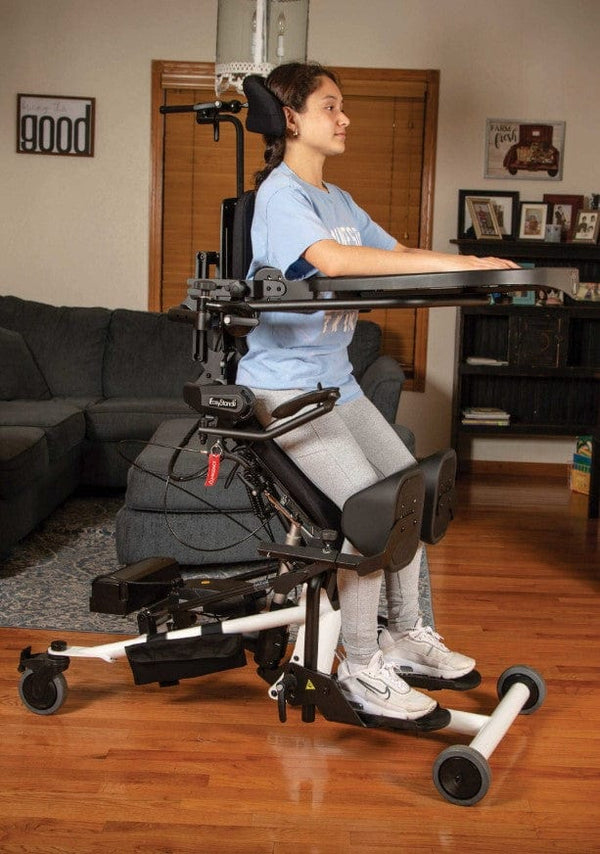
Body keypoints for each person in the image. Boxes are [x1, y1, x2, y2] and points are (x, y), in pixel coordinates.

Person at [236, 62, 518, 720]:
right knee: (371, 511)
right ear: (290, 119)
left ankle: (404, 637)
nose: (345, 118)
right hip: (285, 392)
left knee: (407, 494)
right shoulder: (281, 196)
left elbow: (396, 254)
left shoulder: (337, 201)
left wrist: (469, 265)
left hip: (337, 387)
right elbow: (335, 262)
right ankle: (361, 668)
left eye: (343, 107)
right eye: (330, 106)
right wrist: (463, 264)